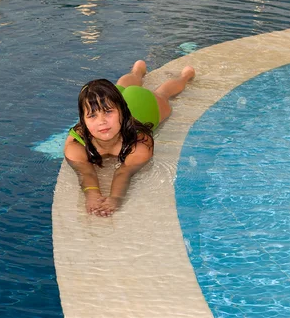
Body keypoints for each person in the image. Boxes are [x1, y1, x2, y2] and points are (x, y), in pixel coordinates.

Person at [63, 60, 196, 217]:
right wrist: (92, 195)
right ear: (83, 120)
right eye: (92, 115)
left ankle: (185, 76)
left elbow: (124, 172)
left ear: (123, 112)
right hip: (116, 101)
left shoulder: (140, 143)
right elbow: (86, 172)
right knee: (120, 87)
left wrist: (115, 199)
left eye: (107, 112)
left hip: (144, 104)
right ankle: (137, 72)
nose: (101, 121)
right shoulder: (76, 143)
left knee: (162, 94)